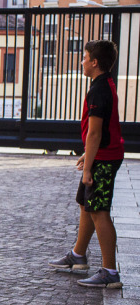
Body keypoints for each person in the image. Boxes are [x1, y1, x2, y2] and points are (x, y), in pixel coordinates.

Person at [48, 40, 125, 289]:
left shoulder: (99, 90)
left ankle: (110, 271)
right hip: (103, 154)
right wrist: (88, 156)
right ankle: (78, 255)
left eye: (84, 57)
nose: (81, 61)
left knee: (99, 211)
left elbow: (95, 133)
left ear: (94, 62)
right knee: (86, 204)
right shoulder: (103, 84)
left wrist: (89, 167)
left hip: (104, 158)